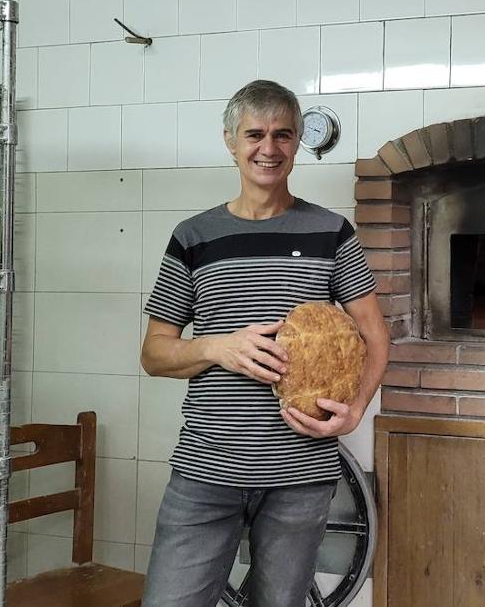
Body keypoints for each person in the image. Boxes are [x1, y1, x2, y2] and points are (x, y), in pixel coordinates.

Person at [139, 79, 389, 607]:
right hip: (206, 470)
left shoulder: (331, 231)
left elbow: (374, 333)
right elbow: (155, 353)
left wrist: (357, 409)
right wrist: (217, 347)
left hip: (301, 475)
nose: (268, 149)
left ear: (298, 142)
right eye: (255, 134)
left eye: (283, 135)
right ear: (231, 139)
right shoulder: (194, 236)